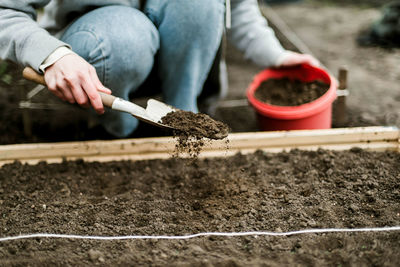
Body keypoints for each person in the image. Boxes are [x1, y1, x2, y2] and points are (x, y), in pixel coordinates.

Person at [0, 0, 319, 137]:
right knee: (125, 36)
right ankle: (116, 132)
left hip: (180, 68)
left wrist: (274, 55)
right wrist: (52, 55)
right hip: (101, 68)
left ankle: (183, 121)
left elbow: (235, 7)